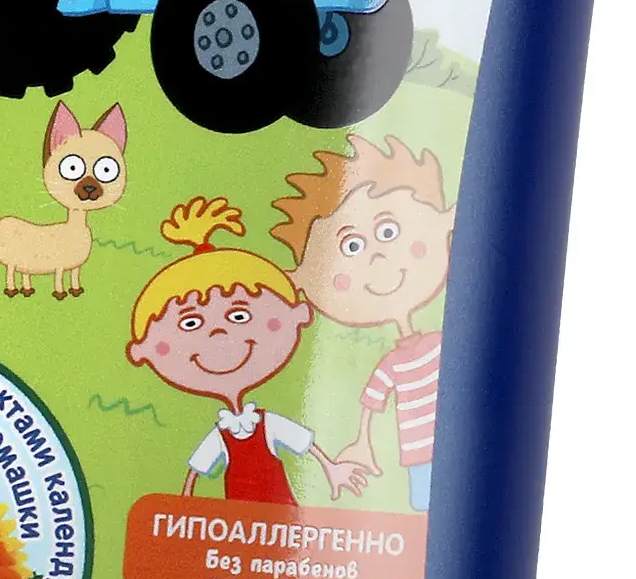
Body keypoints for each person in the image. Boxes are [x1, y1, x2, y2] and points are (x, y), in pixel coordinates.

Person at [126, 196, 367, 505]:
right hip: (238, 514)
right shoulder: (223, 434)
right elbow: (196, 470)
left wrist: (332, 469)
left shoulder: (266, 423)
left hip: (279, 509)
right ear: (144, 350)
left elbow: (302, 444)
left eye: (239, 316)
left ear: (296, 314)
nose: (217, 334)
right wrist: (184, 504)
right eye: (190, 323)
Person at [271, 136, 453, 513]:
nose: (378, 259)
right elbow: (373, 400)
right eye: (351, 247)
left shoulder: (448, 345)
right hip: (417, 455)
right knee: (426, 508)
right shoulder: (393, 364)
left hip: (460, 446)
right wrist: (362, 444)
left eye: (389, 231)